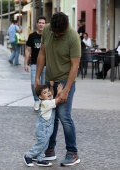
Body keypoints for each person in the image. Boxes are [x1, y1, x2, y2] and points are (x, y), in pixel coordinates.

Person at [34, 12, 81, 166]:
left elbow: (75, 65)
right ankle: (49, 149)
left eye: (58, 33)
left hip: (65, 80)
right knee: (50, 116)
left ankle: (72, 152)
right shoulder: (47, 30)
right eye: (54, 31)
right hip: (49, 80)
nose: (55, 34)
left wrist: (67, 89)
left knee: (64, 116)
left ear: (65, 28)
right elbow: (42, 53)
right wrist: (37, 77)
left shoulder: (73, 37)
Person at [24, 82, 63, 167]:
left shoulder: (48, 101)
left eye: (48, 91)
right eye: (45, 93)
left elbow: (52, 97)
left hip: (46, 130)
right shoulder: (46, 103)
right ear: (40, 97)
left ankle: (40, 159)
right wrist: (59, 91)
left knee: (44, 144)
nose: (48, 93)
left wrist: (52, 87)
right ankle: (28, 155)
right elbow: (58, 100)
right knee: (41, 144)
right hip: (43, 129)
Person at [24, 16, 46, 111]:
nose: (41, 24)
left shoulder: (48, 36)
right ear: (37, 24)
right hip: (34, 63)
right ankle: (36, 100)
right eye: (39, 23)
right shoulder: (32, 36)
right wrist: (25, 63)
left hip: (46, 64)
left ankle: (44, 102)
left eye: (43, 23)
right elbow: (28, 50)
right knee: (34, 83)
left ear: (45, 24)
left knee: (44, 84)